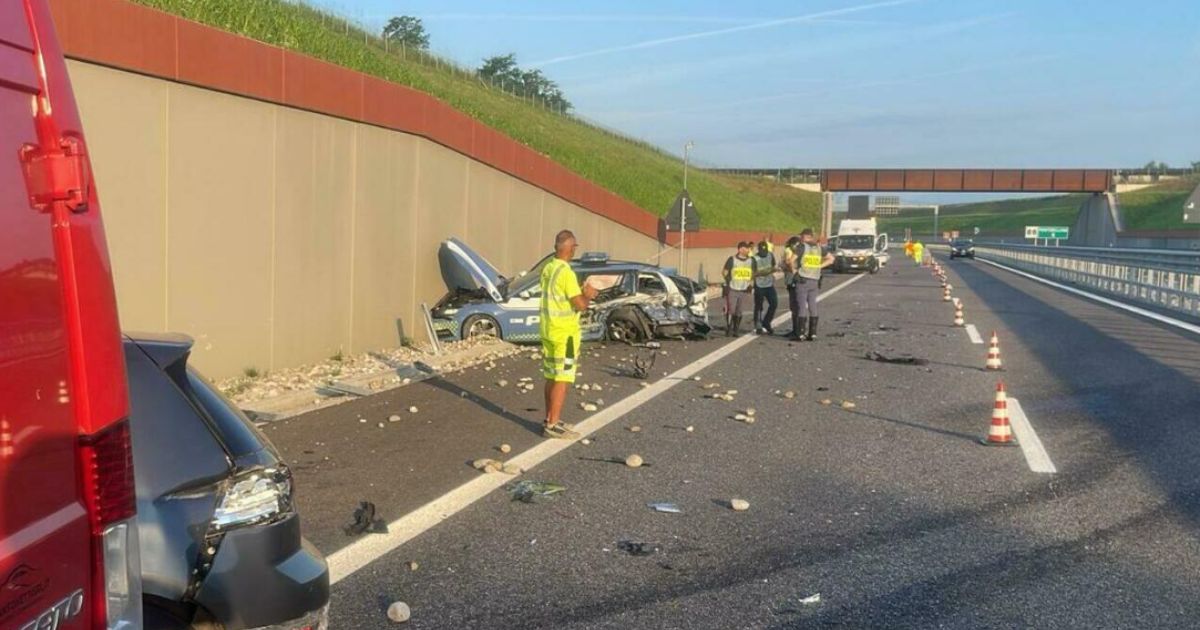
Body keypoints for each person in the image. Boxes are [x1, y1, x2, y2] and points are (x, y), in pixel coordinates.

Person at [540, 230, 599, 439]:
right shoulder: (566, 273)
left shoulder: (549, 268)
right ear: (570, 248)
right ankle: (553, 424)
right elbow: (580, 305)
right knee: (562, 377)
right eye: (574, 247)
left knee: (551, 375)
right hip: (565, 334)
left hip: (549, 330)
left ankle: (550, 418)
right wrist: (588, 294)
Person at [792, 228, 835, 341]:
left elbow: (790, 260)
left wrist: (794, 271)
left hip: (803, 280)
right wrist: (819, 266)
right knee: (813, 306)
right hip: (815, 280)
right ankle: (813, 333)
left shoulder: (802, 247)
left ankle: (800, 333)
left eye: (802, 236)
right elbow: (831, 259)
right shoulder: (819, 248)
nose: (801, 238)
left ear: (805, 237)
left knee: (801, 306)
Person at [721, 241, 757, 337]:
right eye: (746, 248)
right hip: (732, 288)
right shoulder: (732, 260)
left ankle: (736, 329)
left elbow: (753, 273)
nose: (748, 250)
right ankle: (729, 328)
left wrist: (751, 284)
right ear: (740, 249)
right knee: (730, 310)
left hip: (744, 289)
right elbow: (724, 272)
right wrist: (728, 281)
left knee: (739, 310)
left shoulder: (751, 261)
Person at [752, 240, 778, 334]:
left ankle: (767, 322)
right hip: (759, 284)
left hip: (769, 284)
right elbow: (753, 273)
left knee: (774, 303)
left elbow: (773, 266)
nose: (764, 254)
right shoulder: (754, 259)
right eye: (762, 252)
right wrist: (766, 272)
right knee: (759, 306)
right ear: (758, 250)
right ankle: (758, 325)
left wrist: (773, 271)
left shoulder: (770, 255)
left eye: (765, 252)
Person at [782, 235, 803, 338]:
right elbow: (787, 262)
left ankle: (797, 330)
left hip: (794, 280)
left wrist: (792, 269)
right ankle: (796, 330)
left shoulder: (794, 252)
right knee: (795, 306)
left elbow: (787, 263)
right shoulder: (790, 251)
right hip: (792, 280)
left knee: (796, 306)